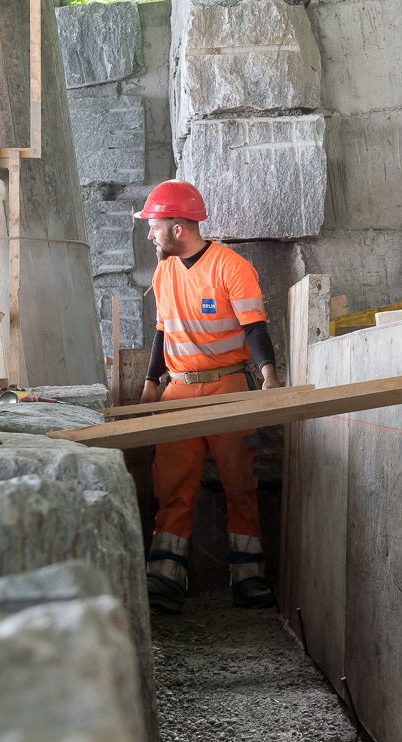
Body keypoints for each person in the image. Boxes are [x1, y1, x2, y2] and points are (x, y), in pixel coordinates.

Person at [133, 180, 279, 614]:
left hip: (229, 386)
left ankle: (248, 579)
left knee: (240, 484)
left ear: (177, 228)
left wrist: (269, 377)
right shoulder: (163, 272)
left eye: (154, 225)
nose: (149, 234)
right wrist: (150, 383)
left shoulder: (232, 267)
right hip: (177, 389)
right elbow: (163, 331)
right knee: (172, 487)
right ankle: (164, 581)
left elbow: (255, 328)